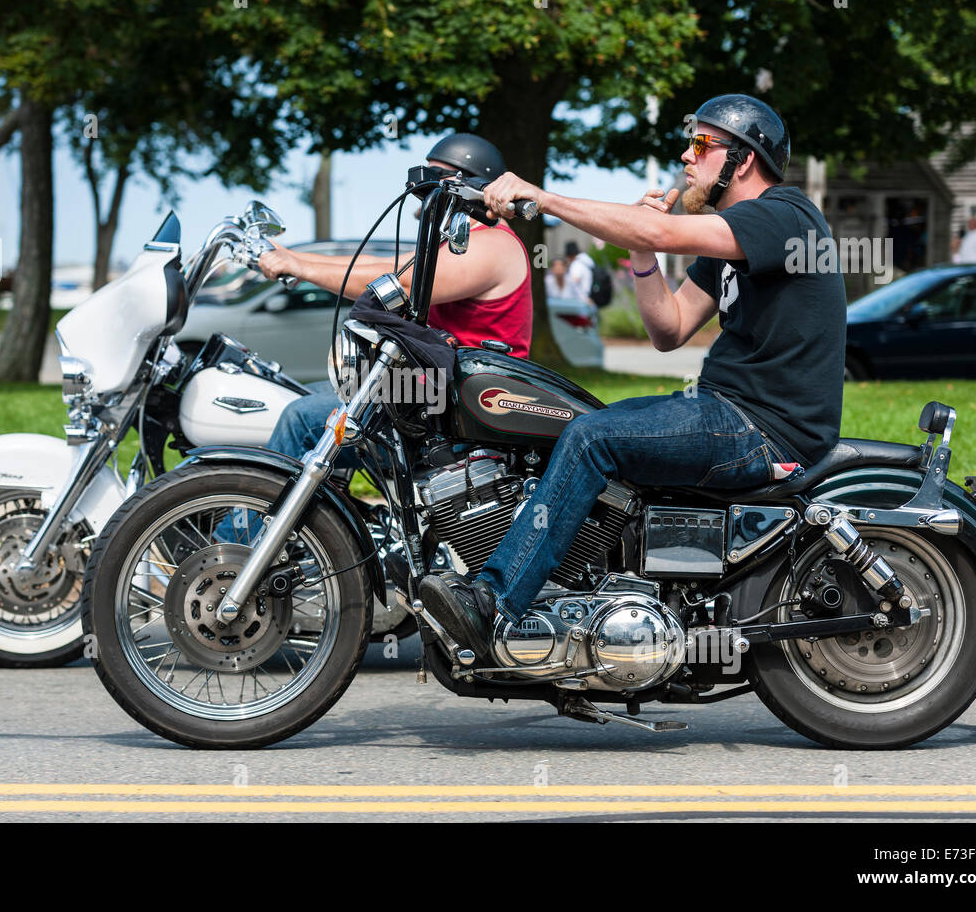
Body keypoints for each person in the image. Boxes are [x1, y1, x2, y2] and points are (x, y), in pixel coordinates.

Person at [417, 94, 846, 656]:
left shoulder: (783, 215)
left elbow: (664, 236)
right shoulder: (730, 242)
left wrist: (543, 198)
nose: (686, 157)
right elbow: (669, 329)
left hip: (765, 427)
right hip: (727, 411)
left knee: (592, 438)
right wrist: (642, 254)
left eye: (701, 144)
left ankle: (493, 602)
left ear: (742, 160)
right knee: (581, 423)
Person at [242, 133, 533, 484]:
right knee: (308, 395)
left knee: (302, 417)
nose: (420, 189)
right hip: (434, 386)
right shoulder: (460, 241)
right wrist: (291, 257)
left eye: (433, 180)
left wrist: (300, 269)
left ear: (470, 185)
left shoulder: (493, 246)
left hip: (460, 399)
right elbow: (383, 264)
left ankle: (246, 535)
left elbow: (402, 286)